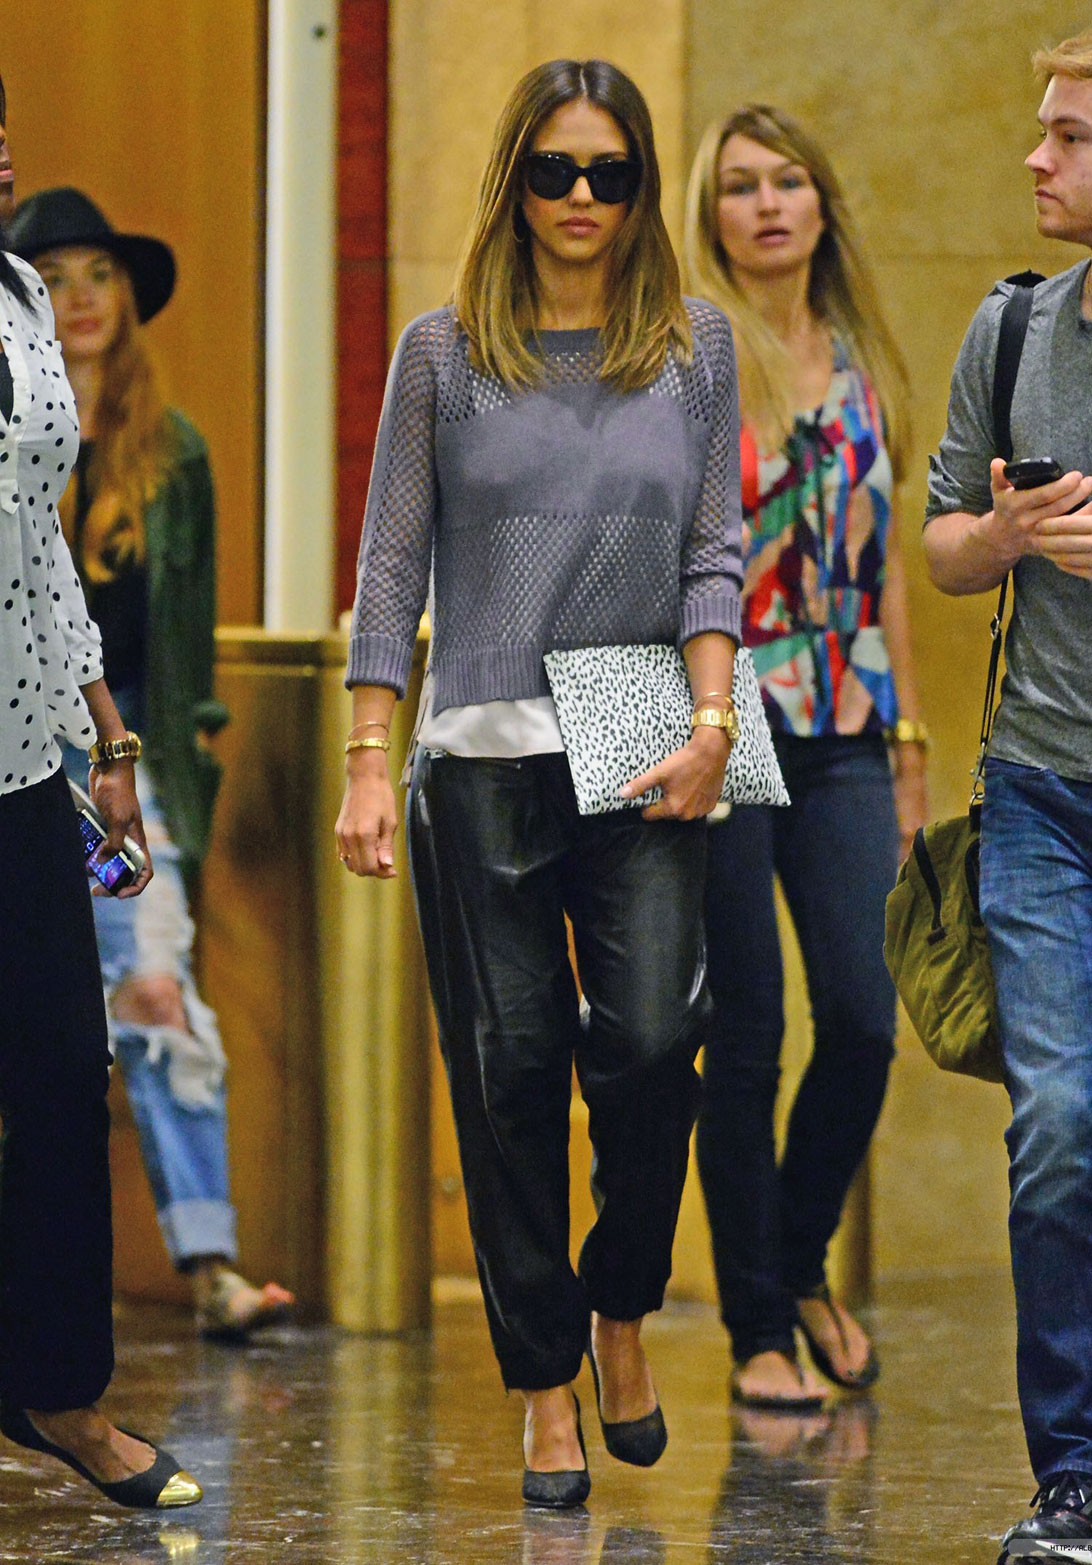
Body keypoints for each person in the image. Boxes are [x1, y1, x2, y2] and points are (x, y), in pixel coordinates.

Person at [336, 58, 741, 1507]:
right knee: (506, 1071)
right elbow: (389, 564)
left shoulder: (693, 342)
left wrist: (711, 719)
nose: (582, 198)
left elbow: (713, 548)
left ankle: (623, 1307)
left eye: (611, 174)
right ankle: (542, 1380)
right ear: (513, 179)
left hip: (645, 720)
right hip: (485, 739)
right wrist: (371, 758)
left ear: (640, 190)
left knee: (645, 1042)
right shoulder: (444, 352)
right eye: (556, 171)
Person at [924, 20, 1092, 1560]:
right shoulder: (1013, 331)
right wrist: (1011, 538)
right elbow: (945, 545)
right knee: (1053, 1137)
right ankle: (1080, 1470)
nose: (1037, 157)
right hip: (1045, 794)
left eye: (1070, 135)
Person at [7, 185, 293, 1342]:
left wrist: (167, 774)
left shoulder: (171, 452)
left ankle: (210, 1259)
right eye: (57, 274)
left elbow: (182, 648)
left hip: (123, 751)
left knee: (160, 996)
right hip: (15, 744)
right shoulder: (18, 407)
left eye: (99, 274)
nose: (79, 297)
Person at [682, 106, 925, 1412]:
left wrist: (915, 738)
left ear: (822, 204)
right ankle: (757, 1329)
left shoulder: (865, 354)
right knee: (750, 1033)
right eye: (739, 187)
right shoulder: (688, 351)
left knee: (867, 1019)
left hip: (848, 717)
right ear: (709, 214)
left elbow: (886, 564)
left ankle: (799, 1254)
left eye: (788, 182)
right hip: (726, 719)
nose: (768, 204)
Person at [0, 69, 200, 1509]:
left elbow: (39, 541)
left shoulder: (18, 296)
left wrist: (108, 740)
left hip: (20, 757)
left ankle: (59, 1388)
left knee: (68, 1071)